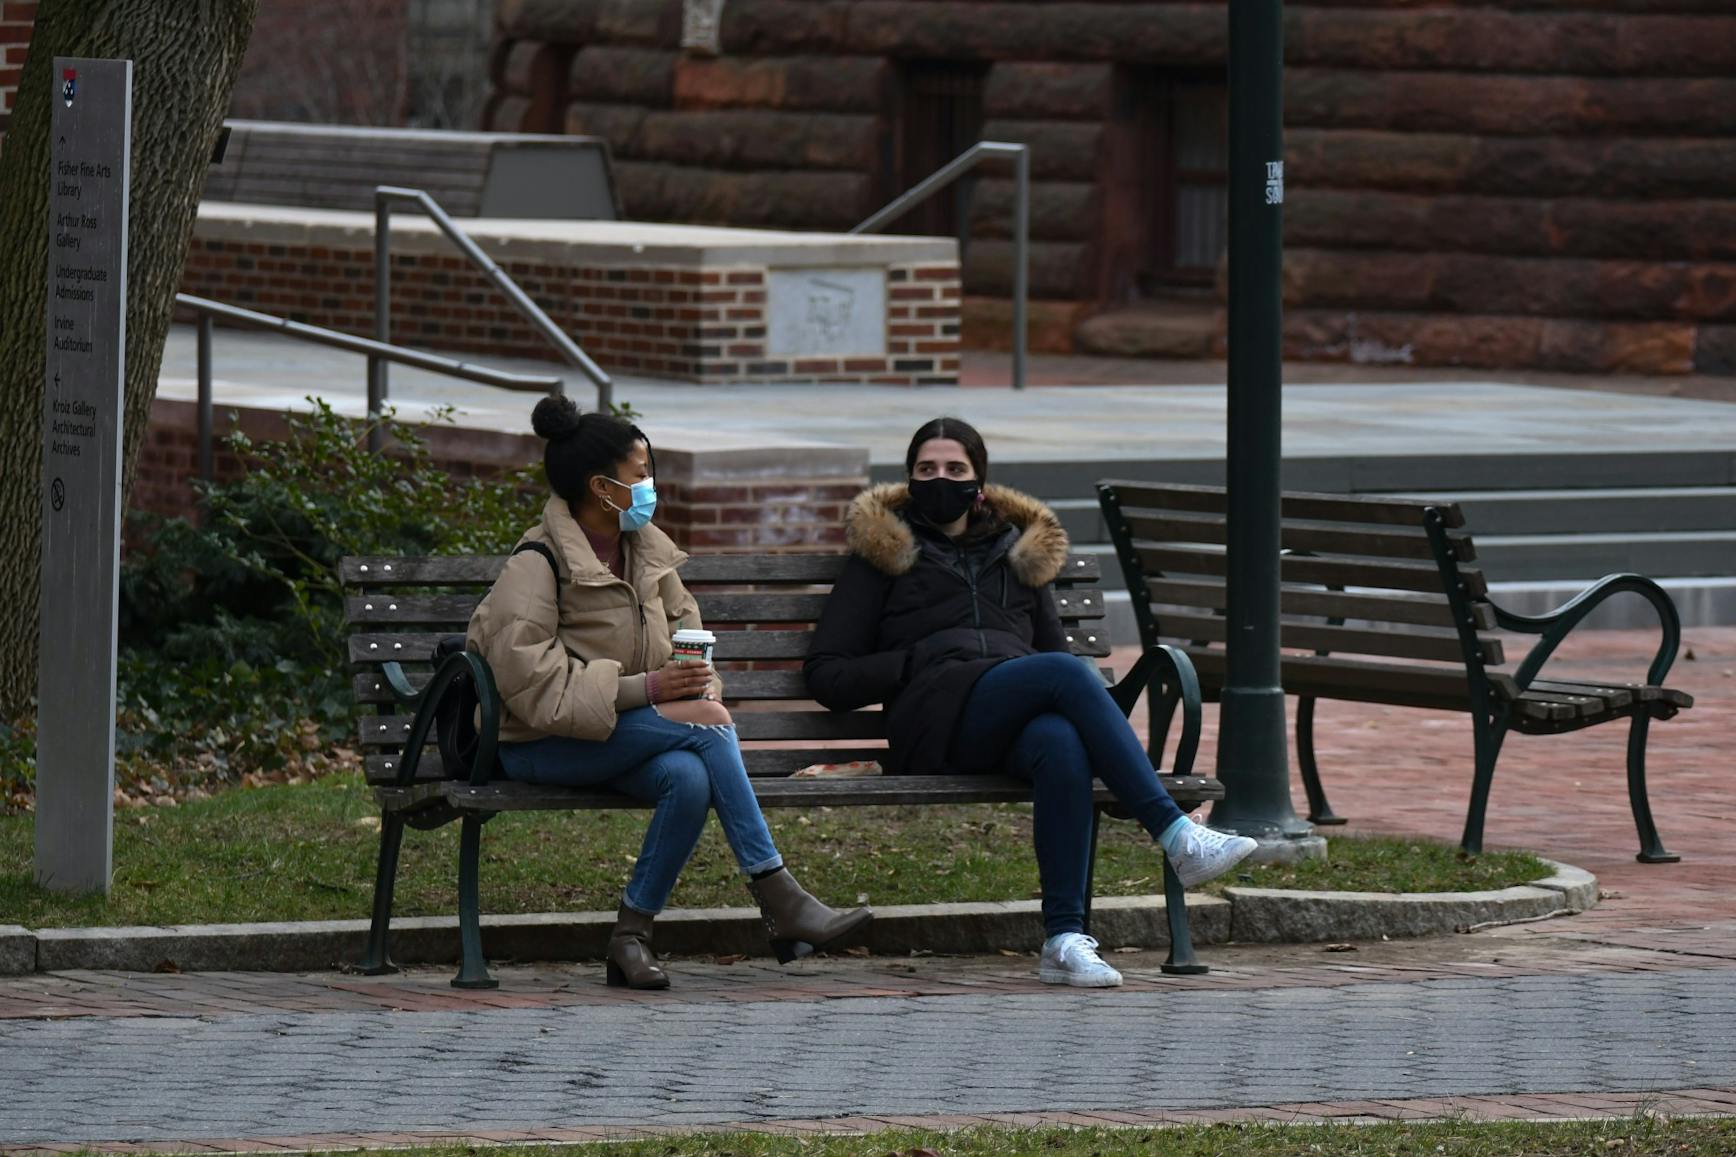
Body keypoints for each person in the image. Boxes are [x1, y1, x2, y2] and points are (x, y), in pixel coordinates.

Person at [804, 417, 1256, 988]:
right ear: (908, 480)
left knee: (1061, 741)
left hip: (1006, 718)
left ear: (980, 483)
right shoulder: (880, 559)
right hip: (934, 725)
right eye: (926, 470)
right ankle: (1173, 831)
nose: (940, 479)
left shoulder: (1014, 556)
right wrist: (916, 660)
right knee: (1065, 673)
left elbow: (1046, 658)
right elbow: (827, 675)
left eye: (954, 470)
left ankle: (1064, 940)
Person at [467, 397, 871, 989]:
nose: (651, 484)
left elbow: (690, 639)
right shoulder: (536, 567)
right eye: (641, 474)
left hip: (620, 733)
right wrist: (655, 690)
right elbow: (538, 694)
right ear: (603, 489)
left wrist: (692, 680)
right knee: (706, 725)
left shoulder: (648, 553)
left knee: (687, 776)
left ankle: (630, 938)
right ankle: (779, 896)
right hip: (535, 741)